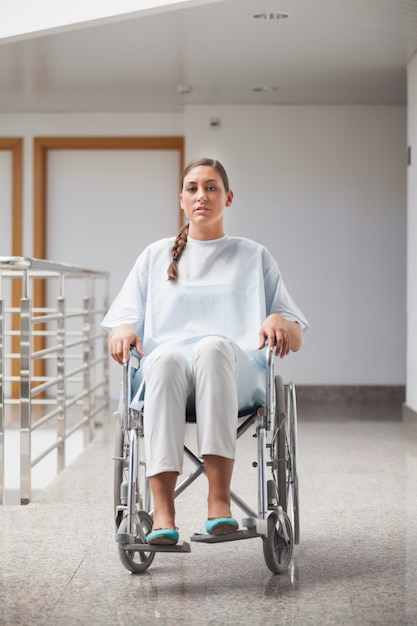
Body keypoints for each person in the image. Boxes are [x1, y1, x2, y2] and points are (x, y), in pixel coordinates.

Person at [102, 157, 309, 545]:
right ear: (181, 199)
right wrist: (123, 328)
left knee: (213, 347)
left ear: (228, 198)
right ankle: (163, 511)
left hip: (236, 373)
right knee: (163, 357)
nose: (202, 196)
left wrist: (281, 322)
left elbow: (296, 336)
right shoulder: (155, 256)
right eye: (193, 188)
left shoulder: (254, 256)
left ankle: (219, 502)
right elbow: (123, 321)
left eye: (211, 187)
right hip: (168, 377)